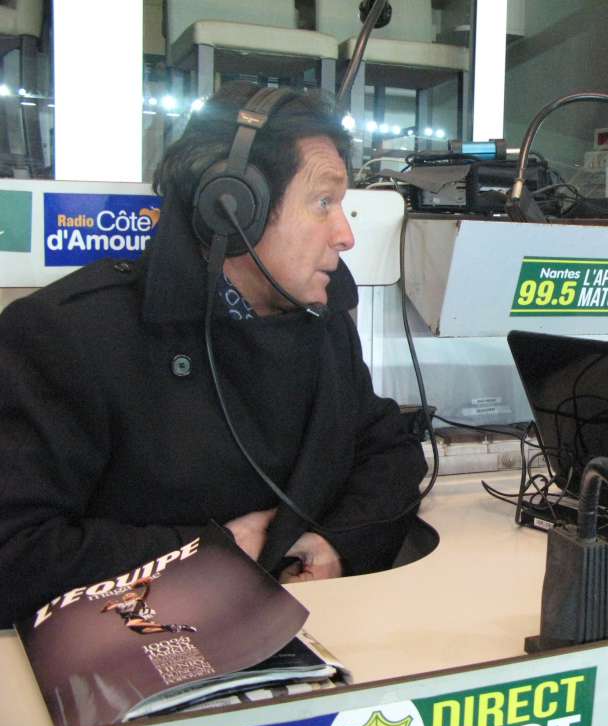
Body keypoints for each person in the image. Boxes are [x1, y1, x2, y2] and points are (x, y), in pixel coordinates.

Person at [0, 83, 427, 626]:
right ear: (234, 207)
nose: (345, 236)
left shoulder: (322, 324)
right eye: (324, 202)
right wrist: (211, 553)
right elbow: (16, 551)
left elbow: (388, 453)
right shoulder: (68, 334)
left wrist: (335, 544)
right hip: (137, 648)